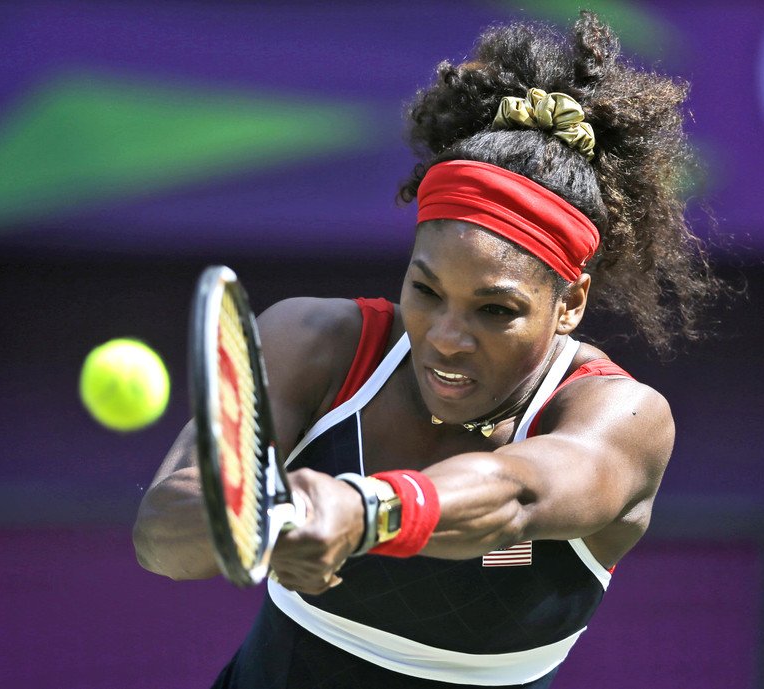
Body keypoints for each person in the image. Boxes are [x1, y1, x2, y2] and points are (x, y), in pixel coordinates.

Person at [134, 12, 720, 688]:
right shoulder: (315, 342)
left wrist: (362, 512)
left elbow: (515, 495)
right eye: (426, 290)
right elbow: (159, 536)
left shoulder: (625, 417)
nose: (445, 335)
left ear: (570, 303)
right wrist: (265, 515)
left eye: (495, 310)